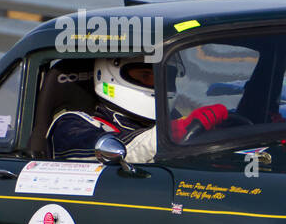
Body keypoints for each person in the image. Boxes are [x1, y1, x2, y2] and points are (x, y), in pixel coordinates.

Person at [48, 58, 228, 163]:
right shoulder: (71, 125)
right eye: (145, 76)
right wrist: (172, 133)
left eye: (163, 77)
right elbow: (124, 149)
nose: (156, 84)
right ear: (110, 73)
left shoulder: (174, 120)